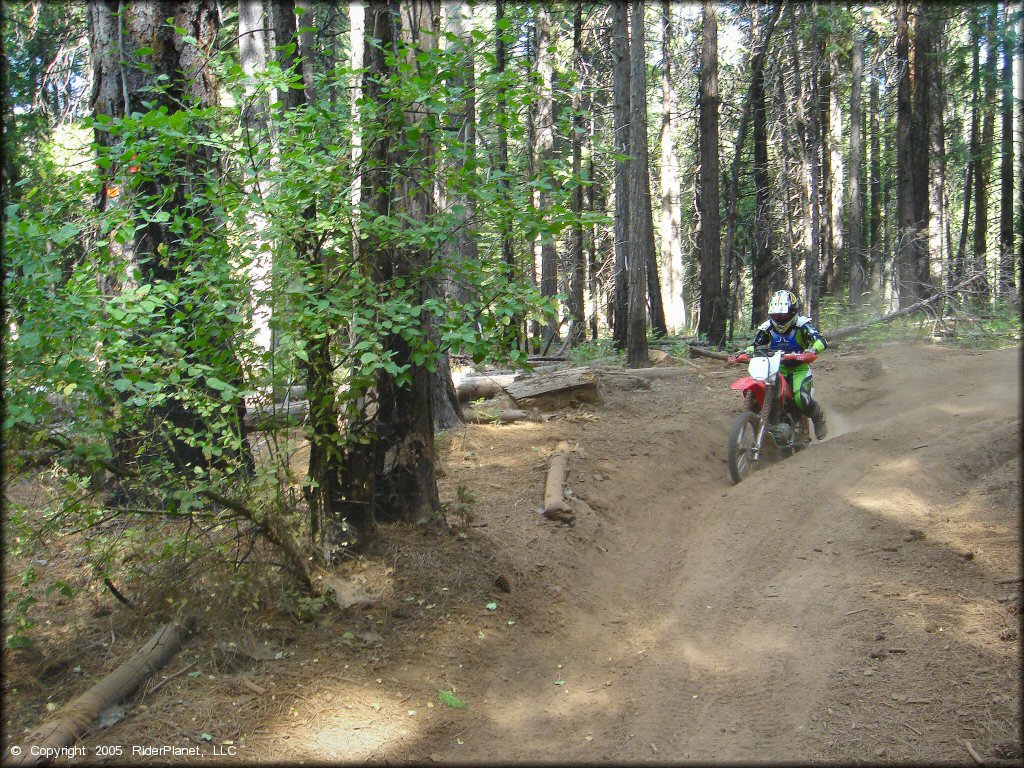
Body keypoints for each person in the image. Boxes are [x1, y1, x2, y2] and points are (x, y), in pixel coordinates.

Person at [744, 289, 828, 439]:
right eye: (776, 315)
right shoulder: (767, 327)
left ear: (793, 311)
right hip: (775, 369)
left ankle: (818, 418)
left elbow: (820, 340)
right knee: (758, 389)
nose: (780, 318)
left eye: (783, 315)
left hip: (799, 370)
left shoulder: (802, 325)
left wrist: (813, 349)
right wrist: (747, 352)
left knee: (801, 398)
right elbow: (755, 344)